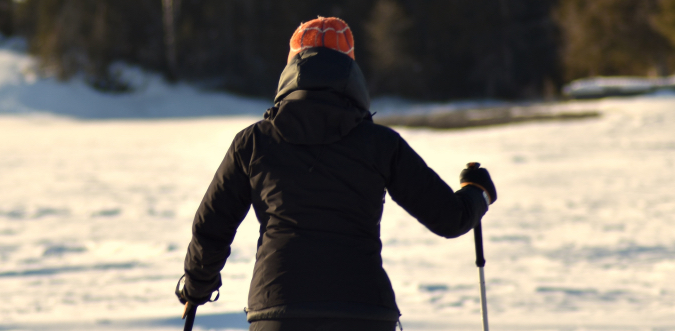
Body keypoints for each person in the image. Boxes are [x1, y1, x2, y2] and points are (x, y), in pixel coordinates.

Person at [175, 17, 496, 331]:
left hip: (279, 312)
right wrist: (477, 192)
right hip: (364, 311)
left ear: (291, 67)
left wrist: (196, 289)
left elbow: (211, 228)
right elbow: (450, 218)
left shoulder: (255, 142)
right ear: (351, 70)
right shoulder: (380, 144)